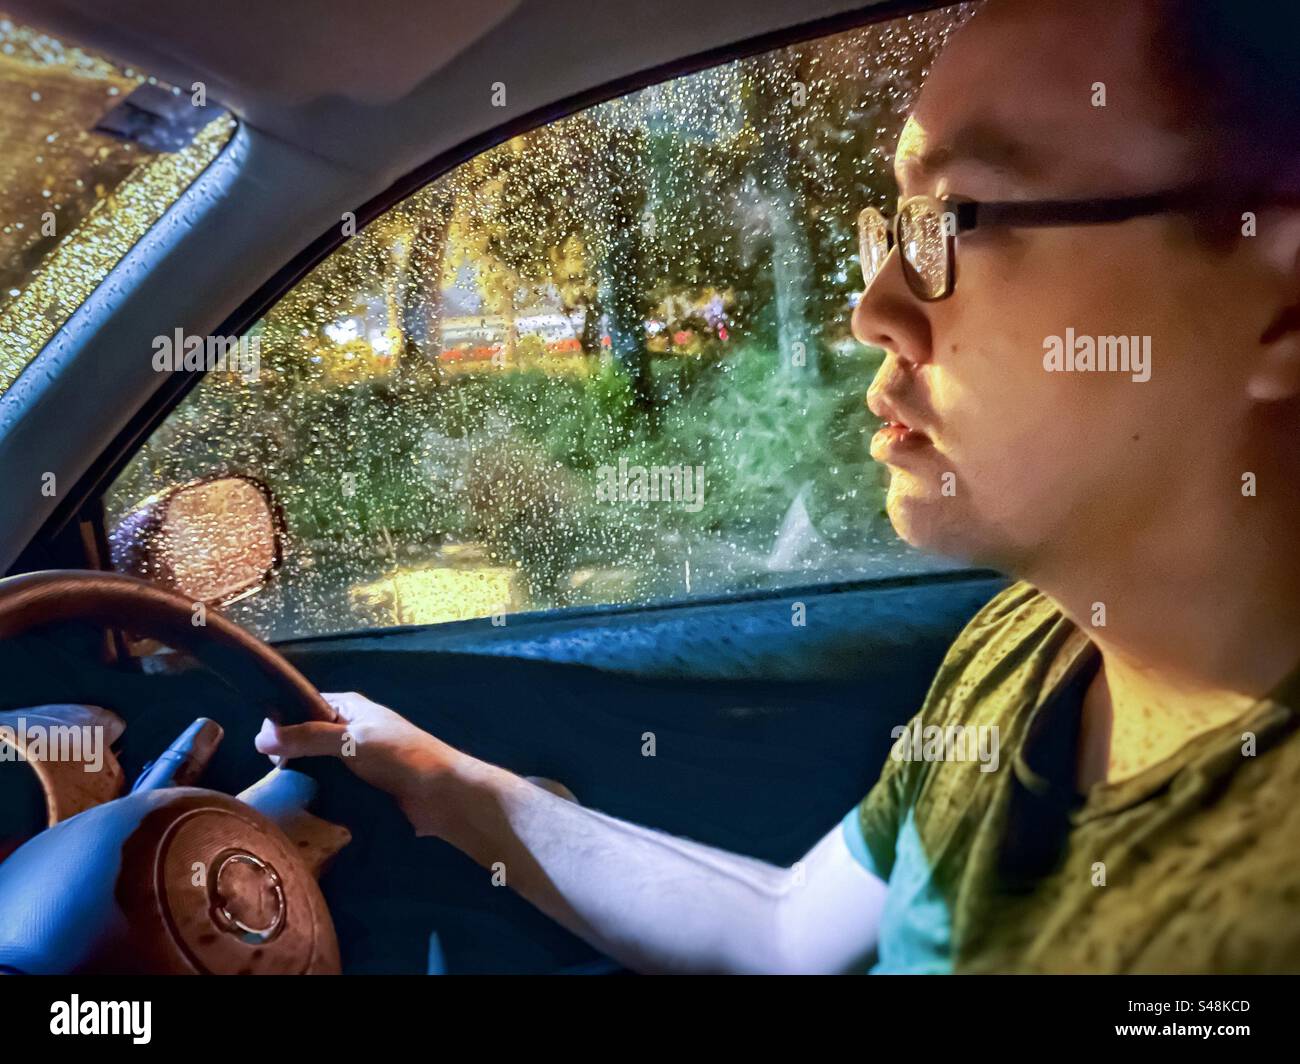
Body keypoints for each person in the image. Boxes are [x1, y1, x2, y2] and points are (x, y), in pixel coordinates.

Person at [256, 0, 1300, 973]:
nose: (874, 305)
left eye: (962, 218)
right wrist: (444, 780)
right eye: (894, 228)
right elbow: (789, 930)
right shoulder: (1034, 643)